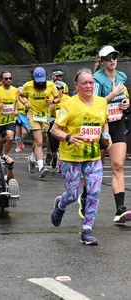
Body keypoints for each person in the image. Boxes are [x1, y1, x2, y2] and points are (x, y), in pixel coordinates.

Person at [51, 68, 111, 245]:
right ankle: (60, 205)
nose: (88, 85)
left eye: (91, 82)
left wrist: (106, 136)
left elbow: (104, 122)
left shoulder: (101, 103)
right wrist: (69, 137)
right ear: (76, 85)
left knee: (94, 192)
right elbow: (54, 130)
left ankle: (87, 230)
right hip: (71, 157)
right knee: (72, 194)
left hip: (93, 157)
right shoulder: (68, 105)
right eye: (84, 82)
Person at [81, 45, 131, 224]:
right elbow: (92, 104)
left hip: (118, 123)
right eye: (108, 57)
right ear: (102, 60)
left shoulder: (122, 76)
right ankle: (85, 196)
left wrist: (126, 102)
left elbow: (124, 96)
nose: (112, 59)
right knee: (96, 166)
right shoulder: (96, 79)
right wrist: (112, 94)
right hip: (99, 125)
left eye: (115, 55)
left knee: (118, 165)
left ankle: (120, 210)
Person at [19, 67, 59, 178]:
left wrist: (52, 101)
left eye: (42, 81)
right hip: (33, 115)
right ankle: (41, 168)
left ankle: (32, 157)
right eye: (38, 81)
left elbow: (58, 98)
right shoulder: (28, 85)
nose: (40, 83)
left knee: (40, 140)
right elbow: (20, 96)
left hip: (45, 116)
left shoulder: (51, 86)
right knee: (40, 141)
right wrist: (25, 103)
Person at [0, 71, 18, 156]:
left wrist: (16, 110)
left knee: (9, 137)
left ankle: (4, 156)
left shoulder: (15, 90)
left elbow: (16, 101)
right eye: (6, 79)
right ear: (2, 80)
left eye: (10, 78)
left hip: (10, 119)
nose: (8, 80)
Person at [47, 81, 70, 168]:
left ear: (62, 90)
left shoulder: (68, 99)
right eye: (55, 89)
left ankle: (62, 164)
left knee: (63, 142)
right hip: (54, 122)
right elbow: (48, 112)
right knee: (53, 143)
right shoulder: (51, 99)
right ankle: (54, 156)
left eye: (58, 89)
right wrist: (52, 103)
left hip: (65, 124)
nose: (57, 91)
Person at [15, 87, 29, 152]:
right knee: (18, 132)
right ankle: (18, 146)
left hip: (25, 117)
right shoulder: (16, 100)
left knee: (24, 133)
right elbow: (14, 109)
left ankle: (21, 141)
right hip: (18, 116)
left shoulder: (26, 100)